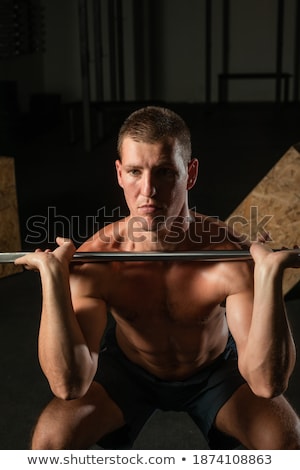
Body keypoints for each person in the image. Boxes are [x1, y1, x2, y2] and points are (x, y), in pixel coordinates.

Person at [16, 106, 300, 450]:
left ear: (190, 173)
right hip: (129, 370)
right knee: (49, 444)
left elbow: (267, 383)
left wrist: (269, 277)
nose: (148, 190)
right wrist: (53, 282)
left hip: (213, 370)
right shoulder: (98, 260)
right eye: (135, 172)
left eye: (164, 172)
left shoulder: (228, 256)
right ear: (119, 174)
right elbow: (68, 385)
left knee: (286, 442)